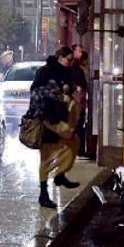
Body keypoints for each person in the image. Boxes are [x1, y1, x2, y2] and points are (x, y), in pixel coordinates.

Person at [29, 46, 81, 208]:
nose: (70, 62)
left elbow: (70, 87)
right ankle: (43, 194)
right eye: (69, 59)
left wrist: (69, 89)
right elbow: (36, 92)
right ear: (60, 57)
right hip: (46, 117)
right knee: (46, 156)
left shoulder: (66, 71)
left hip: (61, 117)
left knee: (73, 143)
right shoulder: (45, 71)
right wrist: (59, 95)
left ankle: (60, 174)